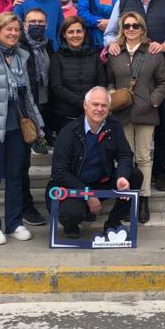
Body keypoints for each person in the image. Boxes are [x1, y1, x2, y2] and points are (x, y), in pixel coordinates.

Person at [104, 0, 165, 191]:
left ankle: (160, 172)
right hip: (128, 73)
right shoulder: (123, 1)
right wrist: (111, 44)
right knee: (128, 125)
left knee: (164, 123)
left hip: (161, 69)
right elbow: (111, 32)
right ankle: (130, 176)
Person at [0, 12, 45, 245]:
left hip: (18, 128)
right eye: (8, 30)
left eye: (16, 29)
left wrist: (38, 124)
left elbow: (28, 95)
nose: (13, 33)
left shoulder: (22, 56)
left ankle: (14, 223)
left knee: (16, 177)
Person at [48, 86, 143, 240]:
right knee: (72, 213)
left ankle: (112, 223)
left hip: (101, 181)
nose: (99, 109)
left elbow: (125, 155)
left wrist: (122, 177)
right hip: (72, 186)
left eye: (104, 105)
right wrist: (87, 194)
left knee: (134, 175)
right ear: (85, 106)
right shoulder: (68, 132)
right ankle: (71, 224)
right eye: (95, 104)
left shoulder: (113, 126)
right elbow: (59, 172)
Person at [106, 11, 165, 224]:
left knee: (143, 157)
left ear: (142, 28)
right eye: (127, 26)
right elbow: (109, 81)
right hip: (121, 112)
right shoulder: (115, 52)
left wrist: (153, 101)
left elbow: (163, 82)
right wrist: (113, 97)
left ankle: (143, 198)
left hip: (145, 112)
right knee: (126, 158)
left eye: (135, 26)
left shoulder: (153, 52)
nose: (131, 29)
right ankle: (127, 199)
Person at [19, 7, 56, 226]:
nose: (36, 25)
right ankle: (25, 205)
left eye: (41, 22)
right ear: (24, 24)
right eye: (32, 21)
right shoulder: (18, 48)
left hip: (46, 106)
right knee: (22, 162)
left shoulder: (49, 45)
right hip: (25, 110)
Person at [48, 16, 103, 134]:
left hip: (92, 115)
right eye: (70, 32)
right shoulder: (57, 57)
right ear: (64, 35)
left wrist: (92, 103)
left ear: (84, 33)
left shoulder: (94, 56)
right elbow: (57, 87)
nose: (75, 35)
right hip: (65, 116)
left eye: (79, 31)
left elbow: (101, 83)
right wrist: (81, 102)